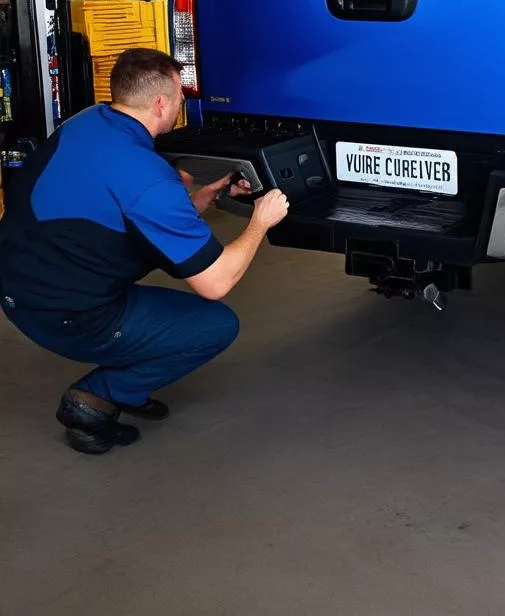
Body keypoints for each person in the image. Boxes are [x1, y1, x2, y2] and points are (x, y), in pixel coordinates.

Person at [0, 47, 289, 454]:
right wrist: (261, 220)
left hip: (16, 290)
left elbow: (120, 211)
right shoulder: (149, 179)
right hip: (67, 316)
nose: (182, 103)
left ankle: (130, 388)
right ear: (160, 104)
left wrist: (201, 199)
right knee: (216, 325)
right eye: (180, 97)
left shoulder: (85, 123)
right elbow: (216, 281)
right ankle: (96, 398)